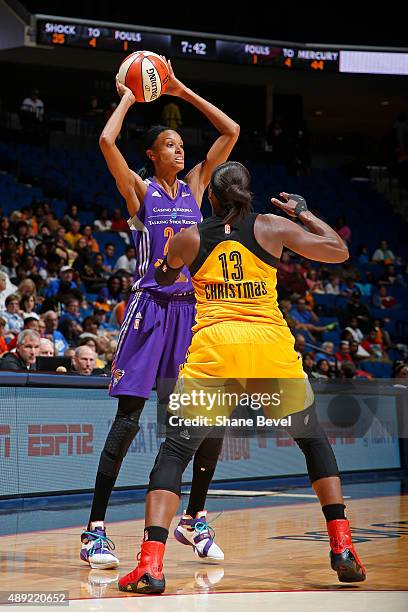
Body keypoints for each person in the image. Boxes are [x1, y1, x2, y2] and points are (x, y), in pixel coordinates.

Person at [117, 163, 365, 593]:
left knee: (175, 452)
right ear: (248, 196)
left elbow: (162, 275)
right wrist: (302, 214)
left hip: (217, 350)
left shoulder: (190, 235)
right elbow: (338, 251)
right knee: (312, 442)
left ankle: (150, 565)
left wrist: (169, 264)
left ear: (210, 197)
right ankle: (342, 547)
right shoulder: (272, 226)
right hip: (269, 349)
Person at [80, 58, 240, 571]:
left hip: (192, 315)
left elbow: (231, 130)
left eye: (181, 144)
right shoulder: (140, 190)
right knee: (128, 421)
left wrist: (179, 89)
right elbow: (107, 143)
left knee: (203, 420)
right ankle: (95, 530)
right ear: (152, 155)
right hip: (150, 311)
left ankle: (194, 517)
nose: (180, 148)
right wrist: (130, 92)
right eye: (170, 144)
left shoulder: (196, 188)